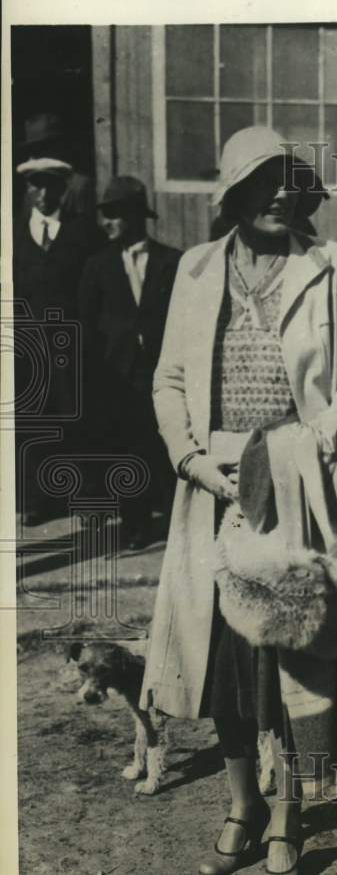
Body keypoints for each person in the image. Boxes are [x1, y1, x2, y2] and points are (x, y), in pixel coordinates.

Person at [139, 126, 337, 875]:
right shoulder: (198, 268)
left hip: (295, 482)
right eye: (261, 182)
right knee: (223, 661)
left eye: (290, 181)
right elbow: (169, 377)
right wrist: (189, 459)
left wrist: (316, 441)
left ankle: (289, 815)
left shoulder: (326, 264)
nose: (279, 194)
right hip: (212, 484)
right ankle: (240, 807)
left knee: (289, 659)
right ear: (234, 196)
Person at [78, 176, 181, 550]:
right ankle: (136, 523)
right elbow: (86, 324)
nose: (108, 222)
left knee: (169, 447)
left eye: (115, 214)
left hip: (163, 373)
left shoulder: (173, 262)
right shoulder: (97, 266)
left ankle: (177, 522)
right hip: (117, 378)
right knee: (126, 451)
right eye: (105, 214)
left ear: (136, 215)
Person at [13, 156, 103, 526]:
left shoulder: (82, 234)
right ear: (27, 189)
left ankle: (86, 499)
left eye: (51, 185)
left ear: (63, 190)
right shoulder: (14, 234)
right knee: (33, 420)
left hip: (71, 345)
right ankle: (38, 499)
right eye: (36, 185)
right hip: (28, 346)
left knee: (77, 418)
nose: (43, 193)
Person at [16, 113, 96, 223]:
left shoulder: (79, 186)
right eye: (32, 150)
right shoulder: (31, 188)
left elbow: (84, 230)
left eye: (41, 149)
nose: (34, 156)